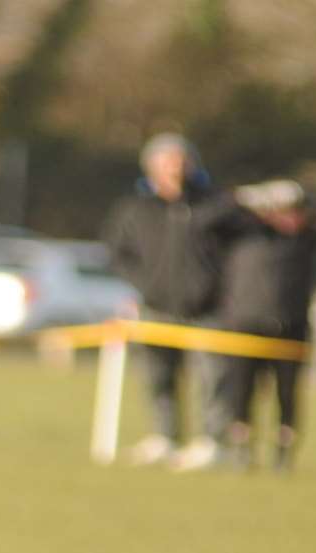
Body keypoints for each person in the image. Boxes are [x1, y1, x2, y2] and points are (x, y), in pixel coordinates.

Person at [181, 180, 316, 472]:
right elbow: (201, 224)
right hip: (243, 323)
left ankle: (283, 454)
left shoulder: (305, 237)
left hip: (291, 324)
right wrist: (240, 198)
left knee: (287, 394)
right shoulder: (243, 232)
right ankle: (241, 449)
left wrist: (304, 194)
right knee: (241, 393)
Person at [103, 133, 226, 467]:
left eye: (180, 160)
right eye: (167, 161)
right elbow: (118, 254)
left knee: (211, 378)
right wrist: (144, 287)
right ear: (151, 167)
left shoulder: (214, 206)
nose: (175, 168)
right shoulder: (135, 209)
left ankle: (211, 442)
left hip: (206, 309)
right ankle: (164, 437)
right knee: (158, 377)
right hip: (155, 306)